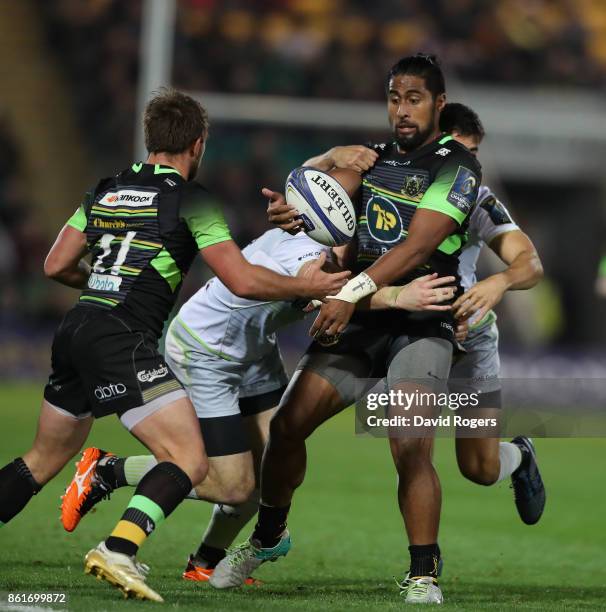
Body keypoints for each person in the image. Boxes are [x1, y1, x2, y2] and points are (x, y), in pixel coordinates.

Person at [0, 88, 350, 602]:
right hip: (124, 337)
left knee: (41, 458)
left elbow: (56, 264)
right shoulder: (193, 198)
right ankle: (119, 548)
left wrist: (107, 285)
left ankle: (118, 514)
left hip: (77, 328)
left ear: (150, 141)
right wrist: (312, 288)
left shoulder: (108, 188)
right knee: (189, 459)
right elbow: (242, 280)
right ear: (198, 144)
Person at [211, 54, 483, 604]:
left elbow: (419, 245)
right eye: (394, 98)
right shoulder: (373, 157)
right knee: (286, 428)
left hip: (420, 320)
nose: (401, 110)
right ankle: (270, 536)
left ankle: (423, 573)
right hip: (361, 317)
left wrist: (350, 292)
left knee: (409, 444)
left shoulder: (457, 165)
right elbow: (316, 195)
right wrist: (294, 213)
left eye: (413, 99)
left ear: (439, 103)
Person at [60, 221, 457, 582]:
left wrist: (492, 287)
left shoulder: (333, 231)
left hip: (255, 348)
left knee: (271, 471)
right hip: (208, 350)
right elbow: (329, 290)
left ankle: (204, 563)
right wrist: (398, 295)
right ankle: (109, 471)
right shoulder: (309, 253)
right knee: (231, 483)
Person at [438, 103, 545, 523]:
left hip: (470, 337)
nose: (471, 163)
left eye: (475, 153)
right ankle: (423, 560)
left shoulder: (479, 198)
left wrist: (498, 281)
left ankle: (518, 456)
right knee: (410, 443)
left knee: (480, 468)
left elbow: (530, 262)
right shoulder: (393, 183)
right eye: (461, 152)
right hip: (411, 329)